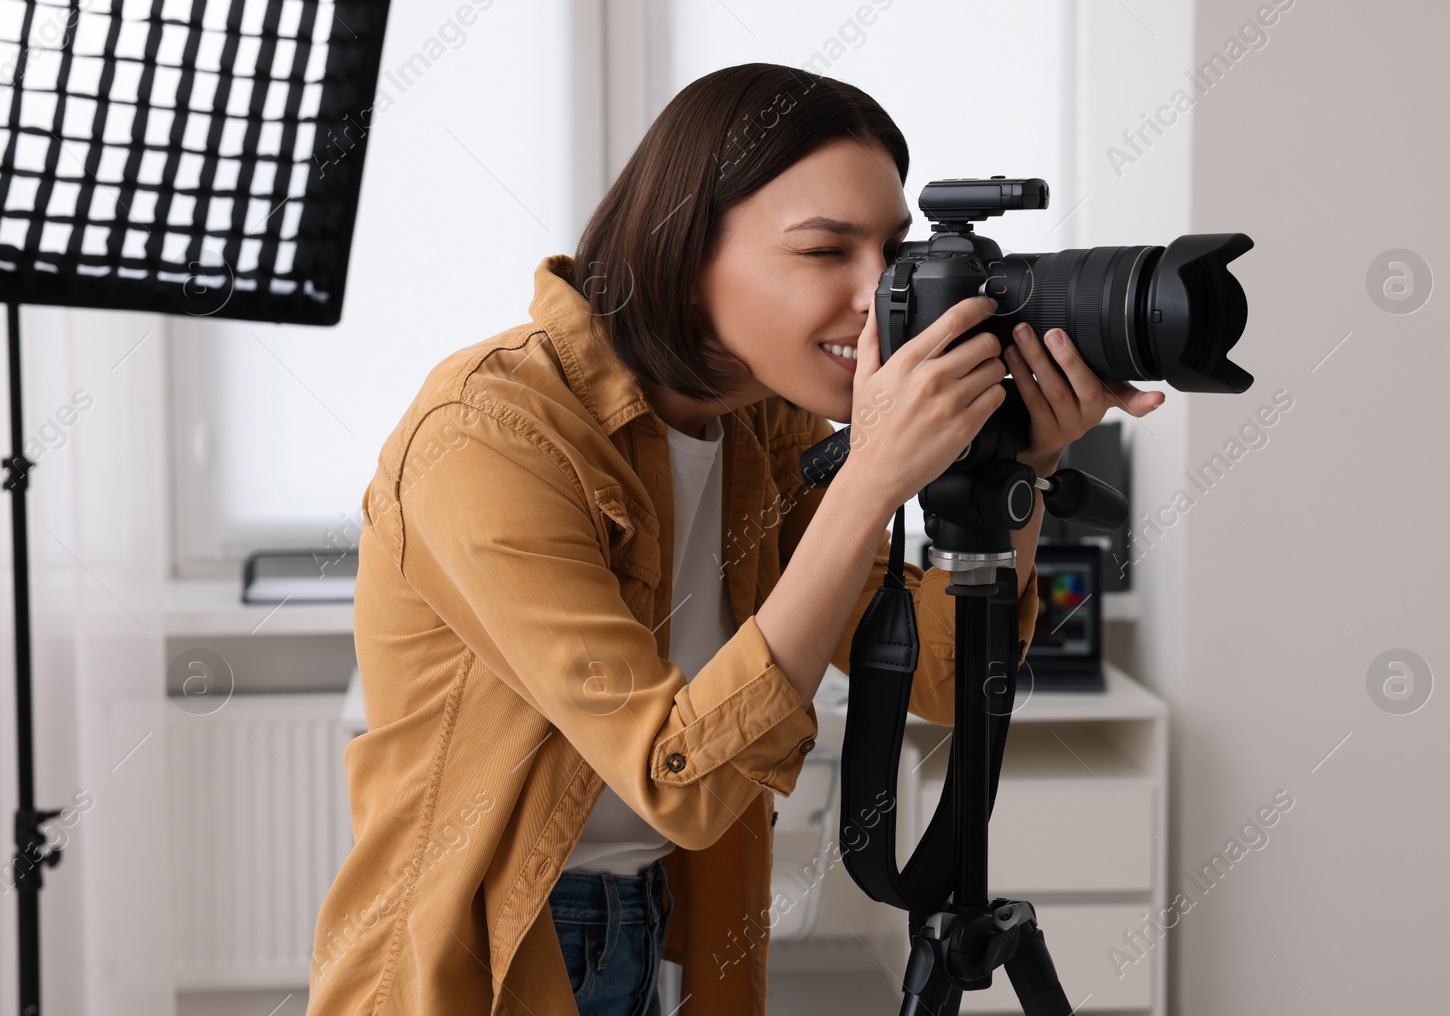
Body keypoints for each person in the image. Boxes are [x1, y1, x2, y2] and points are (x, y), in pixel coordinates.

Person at [306, 62, 1164, 1016]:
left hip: (662, 915)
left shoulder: (764, 424)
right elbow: (674, 772)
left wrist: (1020, 473)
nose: (877, 294)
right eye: (824, 251)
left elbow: (942, 674)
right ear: (683, 248)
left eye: (891, 250)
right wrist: (870, 478)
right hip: (484, 956)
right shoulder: (489, 436)